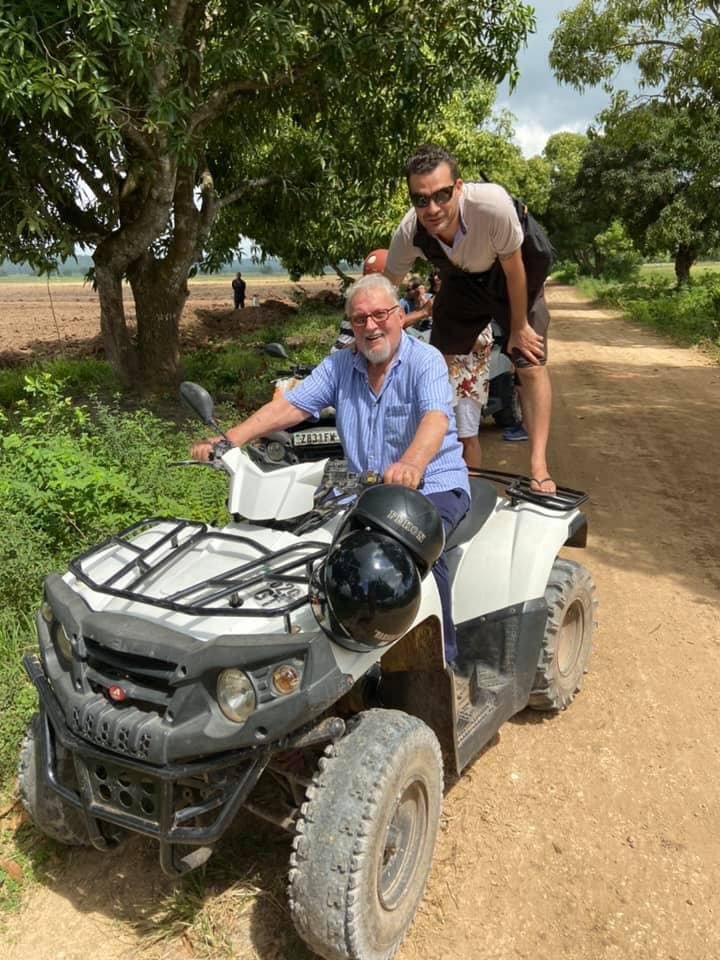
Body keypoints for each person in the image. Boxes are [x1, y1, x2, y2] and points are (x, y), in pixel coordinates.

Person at [191, 273, 470, 665]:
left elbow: (435, 418)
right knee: (305, 546)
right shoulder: (340, 365)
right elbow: (291, 405)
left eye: (379, 315)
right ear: (351, 324)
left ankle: (441, 659)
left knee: (413, 551)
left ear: (399, 314)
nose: (371, 326)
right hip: (369, 492)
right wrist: (230, 439)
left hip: (431, 485)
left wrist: (411, 463)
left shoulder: (425, 361)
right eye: (360, 319)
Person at [385, 143, 556, 495]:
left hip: (511, 277)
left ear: (459, 187)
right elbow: (386, 287)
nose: (432, 209)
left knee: (529, 360)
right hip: (462, 281)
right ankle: (427, 454)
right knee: (434, 362)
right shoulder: (409, 231)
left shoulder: (491, 206)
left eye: (442, 195)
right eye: (421, 199)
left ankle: (539, 467)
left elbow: (515, 271)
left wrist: (519, 327)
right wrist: (372, 330)